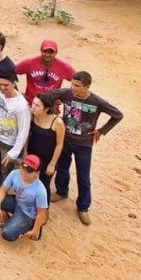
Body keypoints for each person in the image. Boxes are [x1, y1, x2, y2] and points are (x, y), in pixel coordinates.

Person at [47, 71, 123, 225]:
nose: (72, 88)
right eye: (72, 84)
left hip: (84, 144)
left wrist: (102, 131)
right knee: (62, 168)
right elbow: (47, 95)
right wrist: (53, 110)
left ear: (87, 86)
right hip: (65, 140)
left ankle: (83, 207)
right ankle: (61, 191)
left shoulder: (97, 102)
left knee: (84, 177)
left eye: (77, 86)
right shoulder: (66, 93)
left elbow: (117, 115)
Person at [0, 69, 31, 194]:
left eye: (6, 85)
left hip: (9, 144)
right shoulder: (0, 93)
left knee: (6, 171)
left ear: (14, 83)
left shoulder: (22, 106)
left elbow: (23, 132)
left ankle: (1, 193)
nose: (2, 88)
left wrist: (14, 152)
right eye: (0, 84)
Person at [0, 155, 48, 242]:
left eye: (29, 171)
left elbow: (41, 214)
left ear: (37, 173)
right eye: (23, 168)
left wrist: (34, 231)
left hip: (28, 215)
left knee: (7, 233)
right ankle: (10, 221)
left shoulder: (40, 190)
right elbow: (3, 189)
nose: (24, 172)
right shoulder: (15, 173)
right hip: (17, 202)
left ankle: (25, 226)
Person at [25, 93, 65, 203]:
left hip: (47, 159)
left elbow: (59, 144)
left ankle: (44, 209)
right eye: (33, 103)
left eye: (37, 105)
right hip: (32, 156)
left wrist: (52, 164)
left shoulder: (57, 122)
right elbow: (27, 135)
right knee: (29, 179)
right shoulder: (33, 115)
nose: (33, 106)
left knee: (43, 184)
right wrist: (25, 152)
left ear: (47, 108)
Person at [15, 39, 76, 104]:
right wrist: (15, 92)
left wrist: (63, 97)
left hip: (51, 106)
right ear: (41, 51)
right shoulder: (29, 63)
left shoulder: (64, 67)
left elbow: (78, 81)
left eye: (51, 52)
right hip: (31, 104)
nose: (47, 55)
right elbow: (10, 72)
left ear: (56, 53)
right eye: (45, 51)